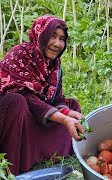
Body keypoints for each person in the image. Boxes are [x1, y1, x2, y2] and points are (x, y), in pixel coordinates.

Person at [0, 15, 85, 175]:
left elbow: (57, 98)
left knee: (73, 105)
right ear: (40, 34)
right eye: (52, 36)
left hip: (34, 117)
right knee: (16, 101)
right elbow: (25, 97)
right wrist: (63, 118)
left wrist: (67, 113)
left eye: (62, 39)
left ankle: (36, 154)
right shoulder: (19, 55)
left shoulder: (54, 66)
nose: (57, 44)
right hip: (11, 117)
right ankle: (10, 165)